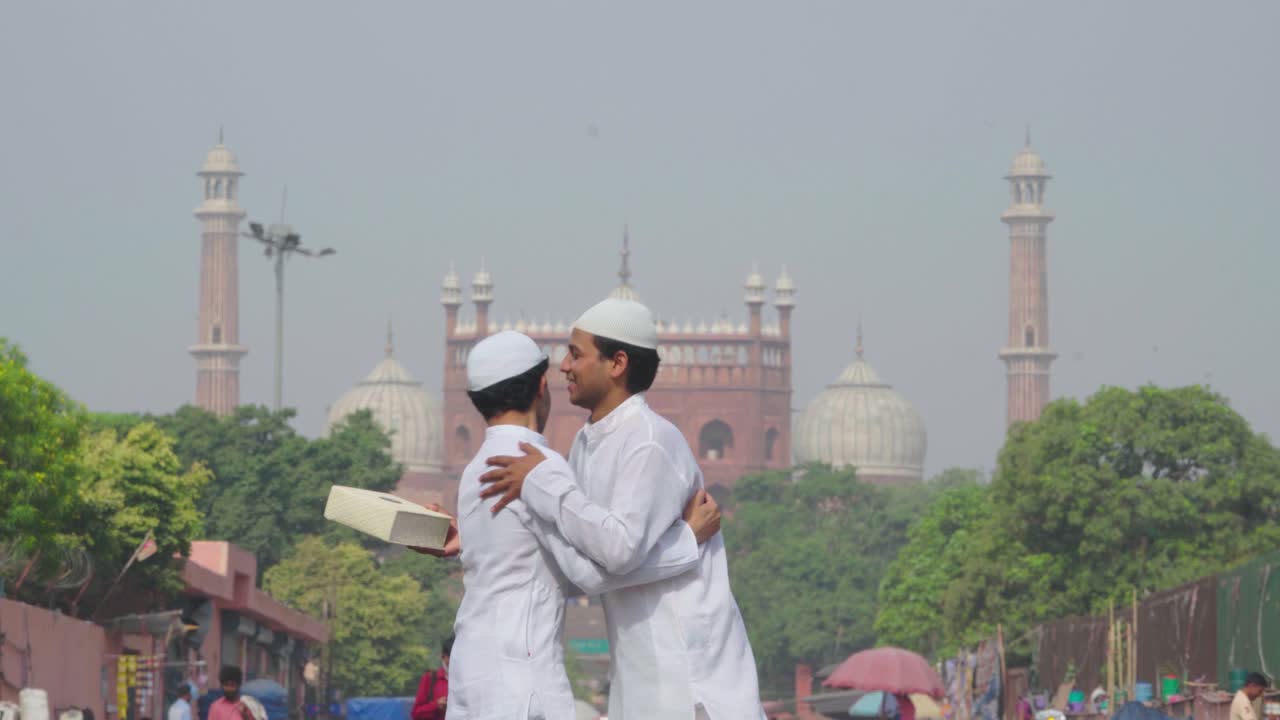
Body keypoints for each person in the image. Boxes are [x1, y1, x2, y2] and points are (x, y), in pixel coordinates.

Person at [479, 297, 766, 719]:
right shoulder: (586, 443)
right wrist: (686, 542)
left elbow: (614, 552)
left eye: (576, 354)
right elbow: (584, 568)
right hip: (639, 668)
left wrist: (540, 486)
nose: (563, 367)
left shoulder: (650, 441)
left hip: (688, 669)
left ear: (617, 363)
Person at [441, 330, 723, 719]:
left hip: (471, 668)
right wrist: (687, 540)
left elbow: (516, 558)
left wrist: (464, 541)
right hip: (522, 675)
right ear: (541, 388)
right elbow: (591, 573)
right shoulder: (535, 465)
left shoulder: (474, 469)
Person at [412, 635, 454, 720]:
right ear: (443, 657)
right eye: (452, 657)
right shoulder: (430, 679)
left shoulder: (470, 680)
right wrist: (436, 705)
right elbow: (416, 713)